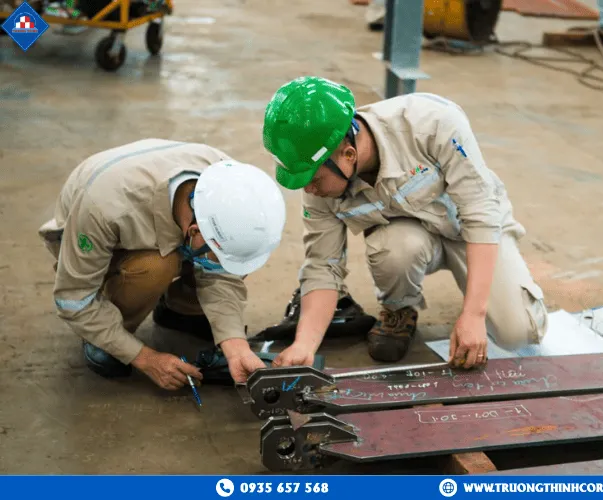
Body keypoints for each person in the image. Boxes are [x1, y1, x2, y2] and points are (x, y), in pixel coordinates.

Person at [261, 76, 549, 370]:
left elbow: (480, 213)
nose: (308, 190)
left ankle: (494, 285)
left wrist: (474, 315)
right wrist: (304, 346)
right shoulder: (320, 178)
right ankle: (400, 309)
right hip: (411, 240)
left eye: (313, 180)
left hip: (471, 232)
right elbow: (323, 265)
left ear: (348, 155)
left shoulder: (433, 123)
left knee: (518, 333)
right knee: (394, 248)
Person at [38, 138, 286, 390]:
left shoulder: (228, 184)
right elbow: (73, 299)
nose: (224, 267)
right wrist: (144, 357)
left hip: (171, 226)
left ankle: (180, 309)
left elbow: (221, 276)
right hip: (92, 243)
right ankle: (108, 334)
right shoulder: (104, 208)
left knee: (223, 255)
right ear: (195, 231)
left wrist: (235, 347)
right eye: (219, 256)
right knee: (157, 265)